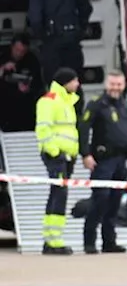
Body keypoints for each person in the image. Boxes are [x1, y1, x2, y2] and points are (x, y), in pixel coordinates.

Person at [80, 70, 127, 254]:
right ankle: (89, 241)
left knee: (115, 202)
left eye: (119, 85)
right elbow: (83, 128)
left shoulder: (124, 105)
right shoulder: (96, 104)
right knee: (100, 199)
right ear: (107, 85)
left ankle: (109, 242)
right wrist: (85, 154)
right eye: (112, 84)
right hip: (103, 160)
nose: (116, 88)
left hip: (120, 161)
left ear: (123, 86)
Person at [27, 0, 93, 98]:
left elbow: (35, 20)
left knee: (55, 84)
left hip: (53, 44)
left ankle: (58, 115)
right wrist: (80, 28)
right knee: (74, 81)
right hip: (72, 41)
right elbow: (86, 8)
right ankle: (76, 114)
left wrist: (42, 37)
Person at [34, 68, 81, 255]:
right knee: (59, 195)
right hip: (57, 156)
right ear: (66, 82)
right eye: (75, 81)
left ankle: (51, 239)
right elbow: (43, 130)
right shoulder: (49, 101)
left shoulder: (67, 101)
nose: (78, 84)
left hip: (67, 156)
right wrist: (55, 152)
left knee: (58, 193)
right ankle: (54, 240)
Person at [1, 35, 43, 132]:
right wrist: (3, 69)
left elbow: (38, 83)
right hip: (4, 105)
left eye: (22, 51)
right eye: (17, 50)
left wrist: (28, 88)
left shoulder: (31, 60)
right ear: (12, 47)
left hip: (24, 106)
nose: (19, 54)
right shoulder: (3, 56)